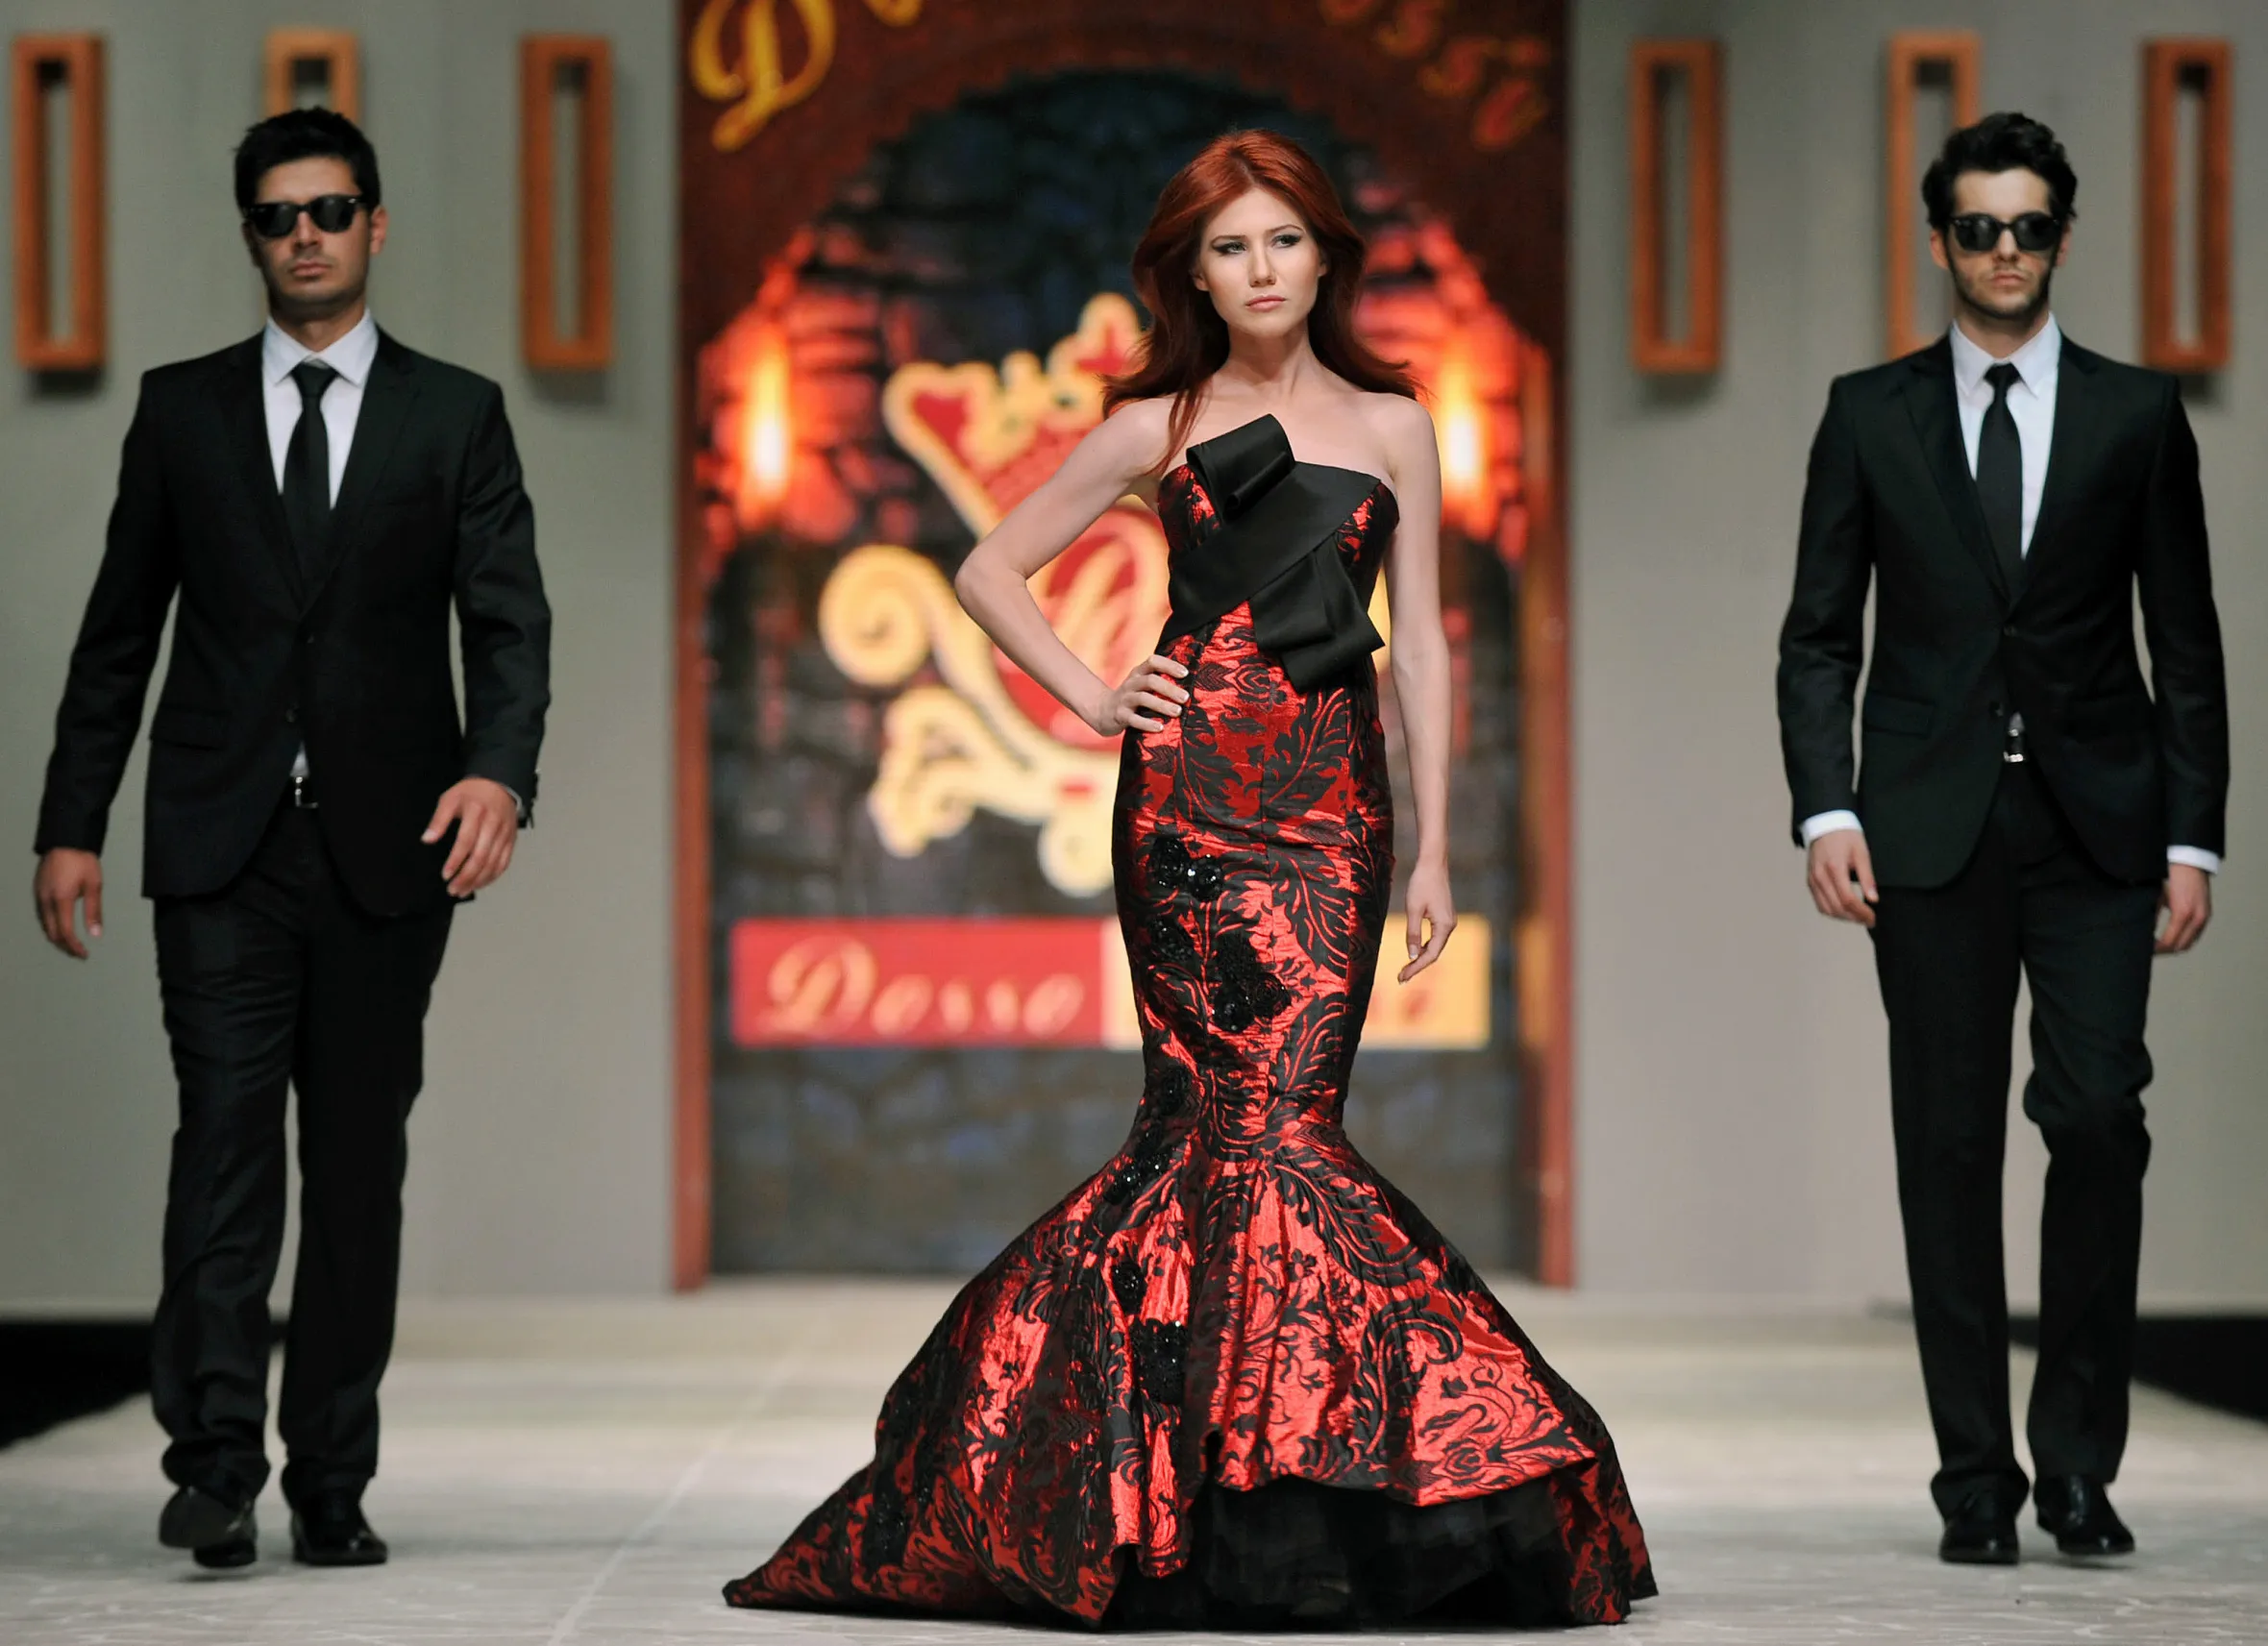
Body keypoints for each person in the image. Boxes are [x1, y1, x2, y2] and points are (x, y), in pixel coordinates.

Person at [724, 131, 1652, 1628]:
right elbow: (984, 569)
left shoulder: (1397, 428)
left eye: (1283, 241)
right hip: (1188, 820)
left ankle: (1244, 1496)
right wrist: (1096, 698)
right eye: (1230, 248)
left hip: (1332, 818)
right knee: (1212, 1130)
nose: (1261, 269)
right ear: (1193, 271)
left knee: (1287, 1134)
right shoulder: (1158, 422)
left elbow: (1423, 646)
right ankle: (1230, 1511)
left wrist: (1437, 842)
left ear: (1326, 255)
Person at [30, 108, 551, 1571]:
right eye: (278, 214)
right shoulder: (181, 410)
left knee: (358, 1169)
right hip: (218, 845)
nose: (306, 234)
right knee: (221, 1151)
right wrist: (70, 825)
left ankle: (332, 1472)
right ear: (251, 236)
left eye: (330, 209)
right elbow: (117, 635)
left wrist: (501, 774)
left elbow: (509, 622)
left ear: (376, 226)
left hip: (394, 853)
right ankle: (210, 1464)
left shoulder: (456, 415)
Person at [1778, 113, 2227, 1566]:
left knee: (2098, 1121)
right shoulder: (1867, 414)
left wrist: (2196, 836)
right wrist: (1827, 805)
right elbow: (1816, 637)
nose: (2007, 252)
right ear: (1940, 242)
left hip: (2101, 828)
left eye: (2031, 227)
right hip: (1927, 830)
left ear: (2063, 239)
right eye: (1981, 227)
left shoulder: (2136, 415)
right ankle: (1977, 1481)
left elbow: (2191, 644)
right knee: (1950, 1146)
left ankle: (2077, 1464)